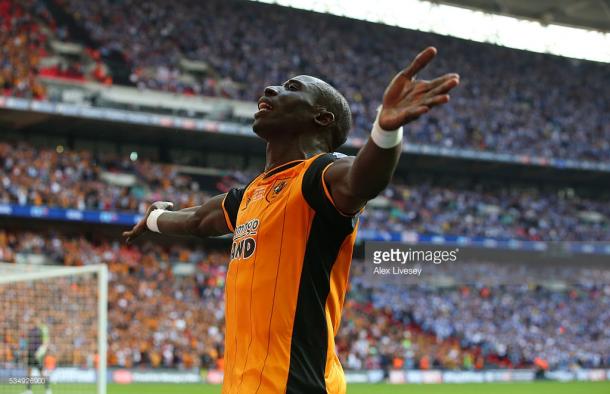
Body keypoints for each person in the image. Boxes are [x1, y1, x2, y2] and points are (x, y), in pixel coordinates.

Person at [123, 47, 459, 393]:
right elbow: (196, 220)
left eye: (292, 88)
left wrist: (385, 133)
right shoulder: (251, 194)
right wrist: (155, 219)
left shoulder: (321, 175)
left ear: (322, 119)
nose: (271, 89)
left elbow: (363, 180)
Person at [23, 317, 51, 394]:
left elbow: (46, 342)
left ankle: (48, 389)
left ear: (39, 320)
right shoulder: (32, 330)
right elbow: (29, 342)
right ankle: (29, 390)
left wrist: (39, 353)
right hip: (31, 353)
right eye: (34, 320)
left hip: (38, 354)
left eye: (37, 320)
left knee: (41, 372)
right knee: (29, 371)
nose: (35, 321)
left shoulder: (42, 329)